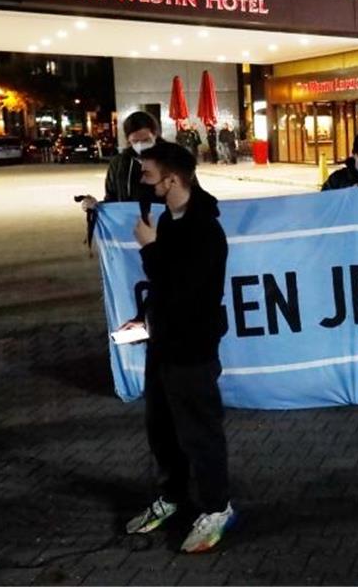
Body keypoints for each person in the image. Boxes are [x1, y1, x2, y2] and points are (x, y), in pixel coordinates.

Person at [117, 141, 234, 553]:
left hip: (193, 346)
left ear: (173, 179)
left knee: (199, 432)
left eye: (149, 176)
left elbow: (188, 292)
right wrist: (144, 316)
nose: (144, 184)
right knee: (161, 427)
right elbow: (164, 286)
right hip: (163, 342)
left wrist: (148, 248)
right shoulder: (168, 220)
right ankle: (171, 496)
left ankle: (217, 508)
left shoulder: (205, 230)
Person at [78, 111, 161, 212]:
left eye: (146, 140)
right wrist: (96, 206)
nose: (141, 145)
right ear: (128, 140)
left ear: (155, 134)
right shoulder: (118, 164)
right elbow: (112, 200)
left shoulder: (171, 159)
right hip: (128, 224)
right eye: (135, 141)